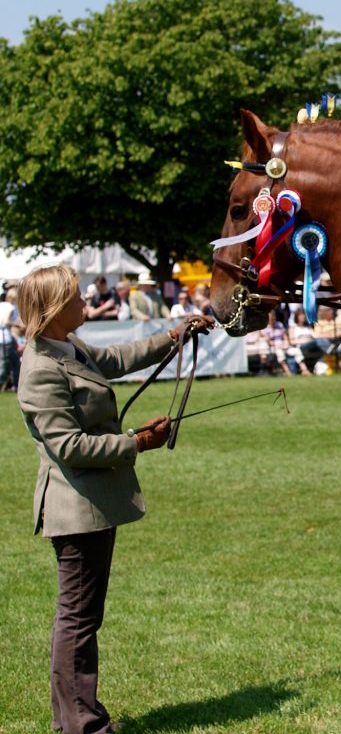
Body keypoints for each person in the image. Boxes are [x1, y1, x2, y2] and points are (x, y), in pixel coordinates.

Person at [15, 264, 213, 734]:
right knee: (77, 619)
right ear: (54, 309)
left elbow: (120, 358)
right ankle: (82, 725)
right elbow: (70, 447)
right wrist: (137, 442)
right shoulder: (40, 369)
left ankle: (74, 721)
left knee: (82, 616)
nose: (85, 300)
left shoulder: (70, 347)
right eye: (76, 296)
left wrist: (174, 336)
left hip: (92, 503)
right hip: (75, 508)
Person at [1, 284, 23, 391]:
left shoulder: (1, 305)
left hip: (2, 338)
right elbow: (6, 322)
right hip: (6, 338)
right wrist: (17, 325)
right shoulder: (11, 307)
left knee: (4, 362)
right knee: (14, 363)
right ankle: (14, 385)